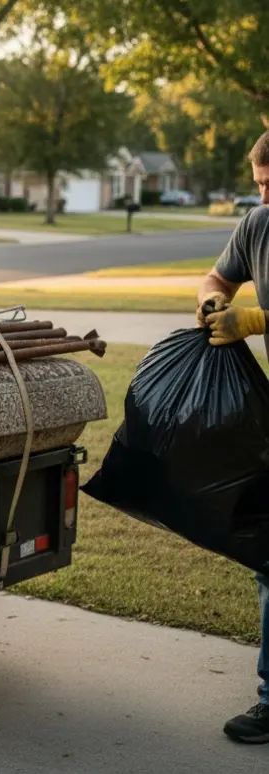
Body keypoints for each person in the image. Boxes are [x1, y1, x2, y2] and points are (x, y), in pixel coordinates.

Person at [197, 129, 269, 744]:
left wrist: (259, 319)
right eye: (260, 183)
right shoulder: (258, 225)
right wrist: (212, 303)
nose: (265, 192)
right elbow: (214, 280)